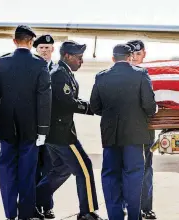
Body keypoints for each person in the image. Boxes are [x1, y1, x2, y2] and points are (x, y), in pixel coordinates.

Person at [35, 40, 104, 220]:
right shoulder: (59, 74)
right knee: (85, 167)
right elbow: (67, 103)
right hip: (62, 134)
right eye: (79, 58)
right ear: (67, 56)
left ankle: (32, 200)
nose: (81, 62)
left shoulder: (64, 72)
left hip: (56, 132)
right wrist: (93, 108)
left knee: (62, 169)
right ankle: (87, 212)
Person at [0, 25, 52, 220]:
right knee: (27, 172)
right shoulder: (40, 64)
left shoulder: (2, 62)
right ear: (32, 42)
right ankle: (24, 215)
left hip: (7, 127)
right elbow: (44, 99)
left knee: (7, 171)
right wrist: (43, 130)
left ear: (14, 41)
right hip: (31, 129)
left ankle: (10, 214)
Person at [90, 44, 157, 220]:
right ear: (130, 57)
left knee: (110, 176)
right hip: (134, 136)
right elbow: (149, 107)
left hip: (110, 136)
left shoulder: (101, 77)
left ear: (113, 59)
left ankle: (115, 216)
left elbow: (95, 106)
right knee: (134, 176)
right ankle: (134, 216)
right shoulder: (141, 74)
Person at [127, 40, 157, 219]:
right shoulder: (120, 73)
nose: (135, 58)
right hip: (125, 129)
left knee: (146, 170)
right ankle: (126, 205)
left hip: (145, 129)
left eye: (138, 54)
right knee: (125, 169)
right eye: (132, 55)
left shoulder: (150, 74)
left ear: (144, 54)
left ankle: (145, 207)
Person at [33, 34, 56, 219]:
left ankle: (47, 206)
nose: (45, 51)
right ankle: (35, 205)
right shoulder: (30, 68)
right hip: (33, 127)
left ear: (52, 50)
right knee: (33, 168)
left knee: (49, 169)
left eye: (48, 48)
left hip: (53, 130)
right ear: (36, 49)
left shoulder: (59, 70)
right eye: (41, 48)